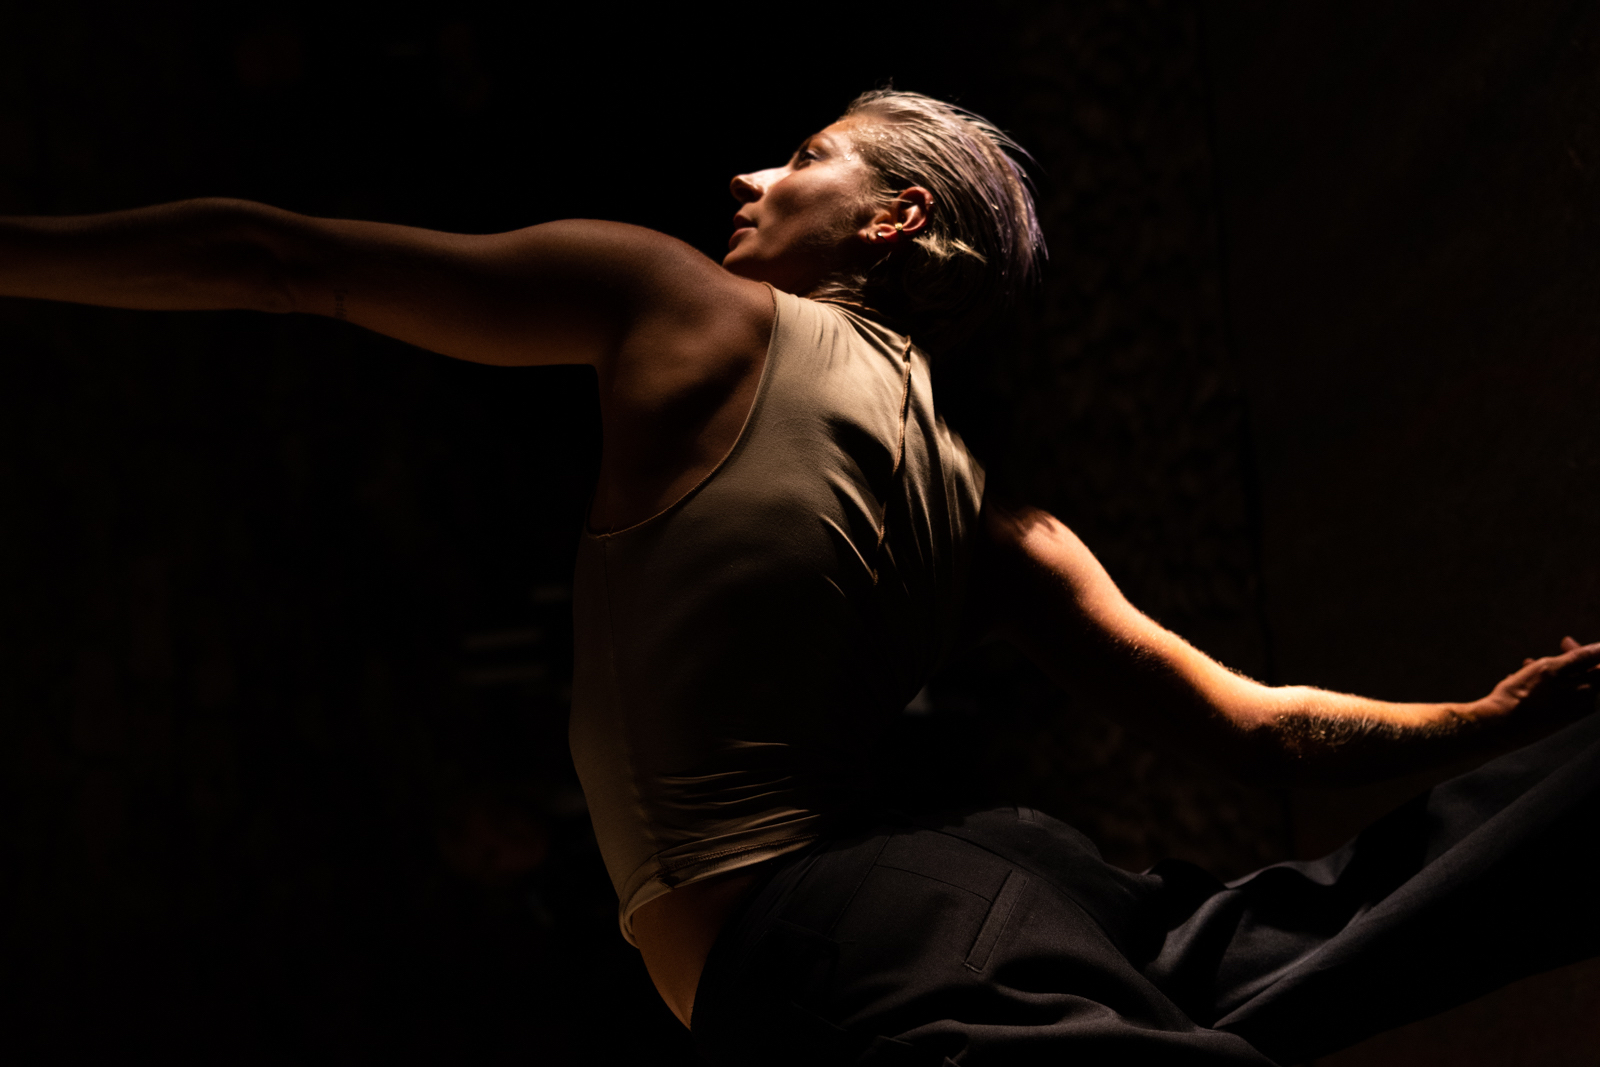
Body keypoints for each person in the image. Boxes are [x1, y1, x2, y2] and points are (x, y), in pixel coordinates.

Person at [2, 89, 1596, 1065]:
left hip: (845, 927)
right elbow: (1259, 728)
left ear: (894, 218)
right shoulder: (998, 521)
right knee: (1315, 936)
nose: (753, 179)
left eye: (808, 156)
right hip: (974, 900)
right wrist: (1482, 722)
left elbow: (286, 260)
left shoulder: (682, 308)